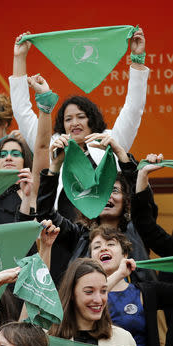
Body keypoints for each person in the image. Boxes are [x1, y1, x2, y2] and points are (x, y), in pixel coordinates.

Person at [10, 28, 148, 220]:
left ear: (92, 119)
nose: (74, 123)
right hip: (64, 234)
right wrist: (20, 58)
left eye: (81, 116)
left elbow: (133, 108)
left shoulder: (111, 141)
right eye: (68, 119)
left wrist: (137, 59)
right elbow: (22, 110)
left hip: (106, 235)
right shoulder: (53, 145)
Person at [36, 134, 154, 284]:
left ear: (127, 200)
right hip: (87, 306)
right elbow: (45, 215)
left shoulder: (141, 228)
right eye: (100, 192)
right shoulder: (79, 235)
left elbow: (143, 200)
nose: (106, 197)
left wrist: (121, 155)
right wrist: (55, 165)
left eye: (114, 191)